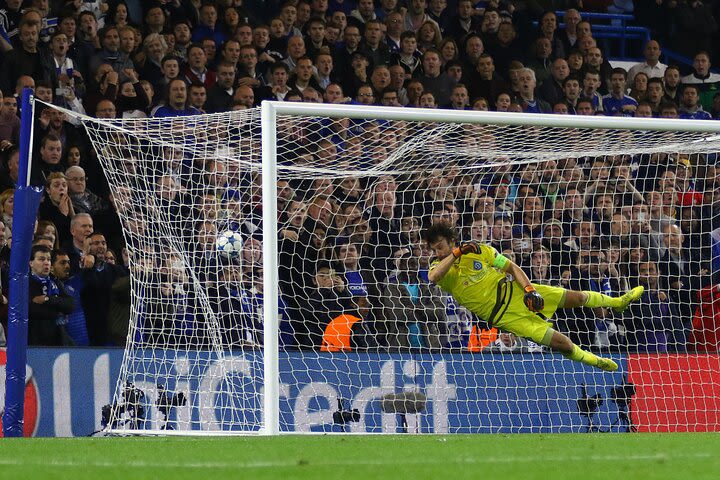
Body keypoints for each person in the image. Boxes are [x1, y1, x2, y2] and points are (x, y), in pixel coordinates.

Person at [424, 222, 645, 371]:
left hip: (516, 292)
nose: (438, 253)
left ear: (452, 240)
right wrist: (456, 253)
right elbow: (433, 277)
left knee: (576, 298)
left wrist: (530, 289)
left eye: (441, 247)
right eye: (435, 250)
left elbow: (512, 267)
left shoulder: (480, 251)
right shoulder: (440, 265)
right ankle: (596, 361)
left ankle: (618, 302)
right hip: (505, 317)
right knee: (563, 344)